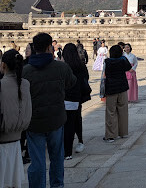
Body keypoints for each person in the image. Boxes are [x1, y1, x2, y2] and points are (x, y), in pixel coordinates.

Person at [22, 32, 77, 188]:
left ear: (34, 48)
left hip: (34, 121)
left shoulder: (26, 71)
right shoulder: (61, 67)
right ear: (49, 47)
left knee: (37, 160)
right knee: (57, 157)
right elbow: (71, 82)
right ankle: (57, 185)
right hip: (56, 119)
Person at [0, 49, 32, 188]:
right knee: (13, 182)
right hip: (16, 141)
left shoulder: (2, 85)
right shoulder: (25, 84)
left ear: (3, 65)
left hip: (3, 141)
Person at [61, 43, 90, 159]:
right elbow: (86, 79)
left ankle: (67, 150)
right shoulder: (81, 66)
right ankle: (79, 142)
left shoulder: (63, 67)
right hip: (77, 97)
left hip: (64, 97)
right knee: (76, 120)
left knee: (66, 124)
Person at [103, 45, 132, 142]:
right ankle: (123, 132)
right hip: (122, 87)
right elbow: (128, 67)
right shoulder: (123, 60)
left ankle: (111, 135)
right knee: (123, 110)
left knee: (111, 112)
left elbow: (105, 74)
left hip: (111, 88)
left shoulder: (107, 62)